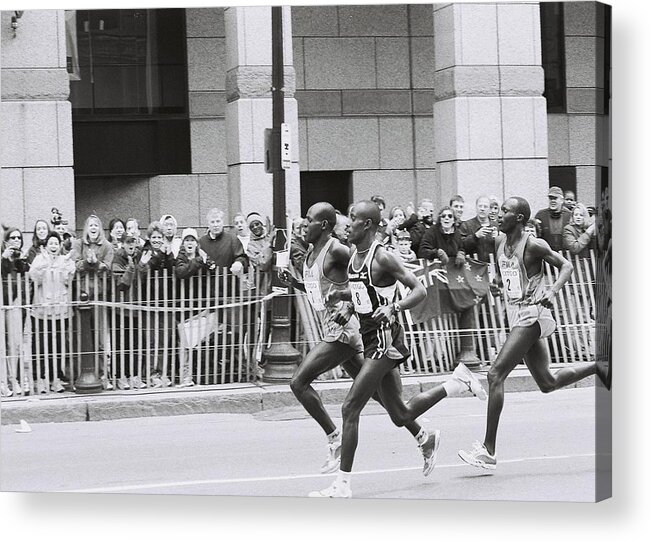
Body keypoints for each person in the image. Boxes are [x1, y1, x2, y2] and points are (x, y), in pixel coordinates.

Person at [310, 200, 486, 498]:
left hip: (386, 340)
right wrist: (345, 302)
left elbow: (418, 289)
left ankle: (342, 484)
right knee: (400, 414)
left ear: (367, 225)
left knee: (350, 407)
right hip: (369, 339)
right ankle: (456, 384)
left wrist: (394, 307)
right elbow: (361, 291)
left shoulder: (384, 257)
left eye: (351, 219)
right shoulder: (355, 255)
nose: (345, 224)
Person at [279, 202, 444, 479]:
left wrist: (352, 304)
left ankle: (335, 439)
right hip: (336, 328)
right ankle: (423, 436)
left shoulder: (338, 249)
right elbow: (320, 290)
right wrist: (293, 284)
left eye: (308, 220)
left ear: (323, 225)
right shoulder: (310, 252)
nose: (303, 225)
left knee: (299, 382)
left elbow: (360, 279)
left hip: (346, 331)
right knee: (384, 400)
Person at [457, 196, 608, 470]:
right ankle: (599, 367)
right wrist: (496, 284)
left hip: (533, 314)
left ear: (519, 219)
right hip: (517, 313)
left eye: (504, 211)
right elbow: (507, 273)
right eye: (499, 209)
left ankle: (488, 450)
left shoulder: (534, 244)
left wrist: (551, 291)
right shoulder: (500, 242)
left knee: (495, 375)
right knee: (547, 383)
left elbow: (567, 265)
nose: (498, 214)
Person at [28, 232, 76, 394]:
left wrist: (67, 266)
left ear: (60, 245)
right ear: (45, 245)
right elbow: (35, 278)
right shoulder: (39, 259)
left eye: (56, 243)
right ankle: (40, 379)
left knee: (58, 346)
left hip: (60, 310)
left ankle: (55, 378)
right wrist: (45, 265)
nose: (54, 246)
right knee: (41, 346)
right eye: (51, 243)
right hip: (42, 309)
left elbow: (69, 280)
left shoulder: (65, 260)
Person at [72, 214, 114, 389]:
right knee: (81, 337)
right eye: (90, 225)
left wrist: (95, 263)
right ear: (86, 228)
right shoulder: (78, 244)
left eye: (97, 224)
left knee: (101, 339)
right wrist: (89, 263)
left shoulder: (107, 246)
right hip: (81, 297)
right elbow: (74, 264)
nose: (94, 228)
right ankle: (79, 375)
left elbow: (108, 267)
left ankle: (105, 375)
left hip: (99, 297)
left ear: (100, 228)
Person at [1, 228, 30, 397]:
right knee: (1, 345)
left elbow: (25, 272)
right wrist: (4, 259)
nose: (16, 240)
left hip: (14, 303)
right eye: (12, 238)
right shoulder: (3, 257)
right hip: (1, 303)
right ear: (5, 241)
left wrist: (19, 259)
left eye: (19, 237)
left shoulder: (19, 258)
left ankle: (14, 379)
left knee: (14, 344)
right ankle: (3, 382)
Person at [198, 208, 247, 274]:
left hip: (229, 282)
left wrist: (239, 262)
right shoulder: (201, 242)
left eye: (218, 221)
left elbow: (242, 257)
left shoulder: (232, 239)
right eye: (212, 222)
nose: (215, 225)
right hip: (208, 282)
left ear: (222, 222)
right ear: (208, 224)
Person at [459, 196, 498, 263]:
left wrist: (498, 239)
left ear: (489, 209)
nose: (482, 209)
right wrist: (475, 236)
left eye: (485, 207)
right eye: (480, 206)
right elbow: (461, 246)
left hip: (493, 266)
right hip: (474, 267)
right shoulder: (466, 225)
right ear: (476, 207)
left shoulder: (496, 226)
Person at [534, 186, 571, 252]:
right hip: (546, 255)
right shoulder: (540, 215)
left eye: (555, 198)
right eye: (551, 198)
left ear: (562, 200)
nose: (552, 201)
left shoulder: (569, 215)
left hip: (566, 255)